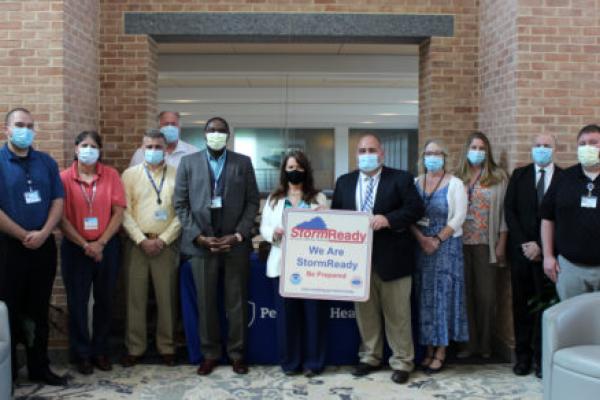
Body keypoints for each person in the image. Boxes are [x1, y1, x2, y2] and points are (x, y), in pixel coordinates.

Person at [331, 134, 424, 384]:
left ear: (382, 154)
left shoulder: (401, 178)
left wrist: (389, 219)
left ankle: (403, 361)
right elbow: (338, 216)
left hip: (394, 259)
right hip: (357, 261)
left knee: (398, 314)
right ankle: (370, 357)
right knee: (366, 313)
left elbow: (416, 209)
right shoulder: (345, 182)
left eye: (372, 150)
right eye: (362, 151)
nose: (367, 154)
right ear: (356, 155)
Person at [174, 116, 259, 375]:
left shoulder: (242, 163)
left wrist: (238, 235)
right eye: (212, 130)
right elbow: (180, 204)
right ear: (204, 134)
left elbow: (252, 202)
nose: (216, 134)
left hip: (234, 245)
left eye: (221, 131)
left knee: (236, 302)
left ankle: (237, 354)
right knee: (206, 303)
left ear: (228, 135)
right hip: (202, 245)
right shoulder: (188, 163)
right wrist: (198, 236)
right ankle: (209, 354)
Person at [0, 108, 66, 385]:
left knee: (39, 309)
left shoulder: (46, 162)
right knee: (9, 308)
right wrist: (23, 234)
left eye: (29, 125)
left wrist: (43, 233)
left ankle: (40, 367)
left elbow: (58, 201)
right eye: (19, 125)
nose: (24, 130)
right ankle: (10, 370)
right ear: (6, 129)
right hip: (7, 248)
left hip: (43, 246)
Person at [59, 131, 126, 375]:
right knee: (77, 302)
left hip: (107, 246)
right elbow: (61, 217)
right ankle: (81, 353)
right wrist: (85, 244)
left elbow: (118, 212)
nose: (89, 149)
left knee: (105, 301)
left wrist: (100, 243)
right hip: (75, 249)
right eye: (84, 145)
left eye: (93, 146)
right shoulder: (64, 177)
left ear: (100, 150)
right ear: (76, 149)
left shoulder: (111, 175)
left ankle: (100, 351)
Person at [259, 150, 328, 377]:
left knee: (313, 317)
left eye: (298, 168)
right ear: (283, 172)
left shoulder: (318, 198)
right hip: (282, 264)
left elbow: (328, 227)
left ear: (306, 170)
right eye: (290, 168)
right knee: (287, 319)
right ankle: (290, 363)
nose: (294, 172)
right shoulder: (274, 198)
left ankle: (313, 363)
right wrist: (274, 233)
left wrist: (325, 215)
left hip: (311, 265)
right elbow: (264, 228)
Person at [120, 129, 182, 367]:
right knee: (135, 298)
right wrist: (141, 239)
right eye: (149, 147)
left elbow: (181, 213)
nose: (154, 151)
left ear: (166, 149)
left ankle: (167, 346)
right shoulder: (130, 175)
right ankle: (135, 347)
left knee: (167, 298)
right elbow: (123, 211)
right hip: (137, 245)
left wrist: (164, 239)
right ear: (142, 148)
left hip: (166, 245)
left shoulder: (178, 174)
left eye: (158, 147)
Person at [505, 134, 561, 378]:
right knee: (521, 306)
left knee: (545, 307)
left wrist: (542, 246)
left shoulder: (564, 178)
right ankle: (523, 358)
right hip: (521, 254)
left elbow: (563, 218)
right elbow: (510, 210)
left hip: (549, 257)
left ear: (554, 149)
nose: (542, 149)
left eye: (546, 146)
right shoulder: (519, 176)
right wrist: (526, 244)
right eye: (537, 145)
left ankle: (541, 359)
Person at [410, 139, 468, 373]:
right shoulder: (415, 183)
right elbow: (409, 215)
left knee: (443, 298)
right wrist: (421, 239)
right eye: (428, 153)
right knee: (424, 299)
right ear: (422, 157)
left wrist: (436, 240)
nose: (432, 157)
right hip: (420, 248)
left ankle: (441, 349)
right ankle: (428, 348)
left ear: (445, 156)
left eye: (437, 153)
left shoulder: (455, 184)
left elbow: (458, 217)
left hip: (446, 249)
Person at [455, 131, 508, 359]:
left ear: (488, 152)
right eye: (474, 147)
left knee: (486, 296)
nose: (477, 152)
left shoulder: (499, 177)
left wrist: (501, 243)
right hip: (459, 243)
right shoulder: (457, 177)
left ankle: (486, 345)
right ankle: (468, 344)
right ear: (466, 150)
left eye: (482, 148)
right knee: (464, 295)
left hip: (486, 244)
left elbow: (505, 214)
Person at [541, 124, 600, 300]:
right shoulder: (563, 178)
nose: (587, 147)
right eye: (582, 144)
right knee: (574, 324)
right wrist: (548, 256)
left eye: (593, 142)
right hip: (569, 269)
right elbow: (547, 218)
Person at [129, 111, 198, 168]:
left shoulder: (192, 152)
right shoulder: (141, 153)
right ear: (159, 127)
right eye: (166, 124)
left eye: (173, 124)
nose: (170, 127)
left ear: (179, 127)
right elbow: (132, 177)